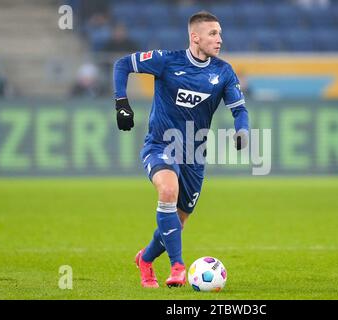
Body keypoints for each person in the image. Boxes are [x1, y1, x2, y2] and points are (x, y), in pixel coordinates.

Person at [113, 11, 249, 288]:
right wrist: (121, 102)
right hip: (161, 145)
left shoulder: (223, 71)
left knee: (177, 222)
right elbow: (122, 64)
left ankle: (145, 259)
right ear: (195, 37)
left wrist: (242, 130)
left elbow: (239, 109)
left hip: (195, 156)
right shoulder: (167, 61)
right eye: (213, 34)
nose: (219, 39)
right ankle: (178, 267)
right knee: (167, 191)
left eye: (220, 33)